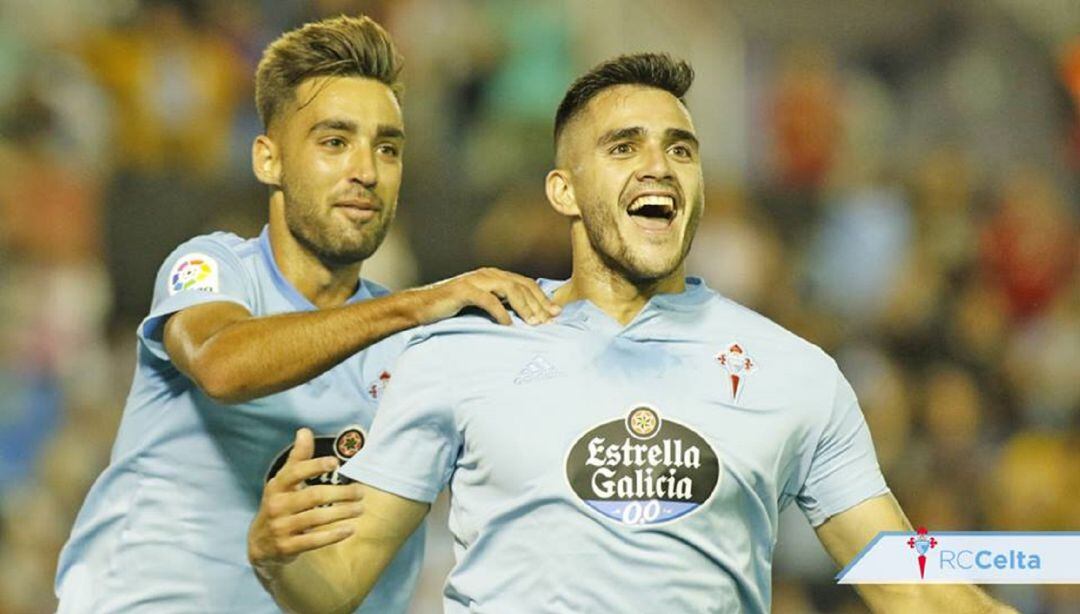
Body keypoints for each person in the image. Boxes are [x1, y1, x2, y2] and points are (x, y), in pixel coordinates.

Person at [248, 53, 1013, 613]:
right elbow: (337, 584)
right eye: (624, 148)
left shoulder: (796, 373)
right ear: (564, 190)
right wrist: (278, 557)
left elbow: (909, 587)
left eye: (680, 150)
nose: (660, 167)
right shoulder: (460, 351)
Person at [54, 15, 558, 613]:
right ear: (268, 159)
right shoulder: (212, 269)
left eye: (387, 148)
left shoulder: (422, 349)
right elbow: (223, 364)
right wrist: (413, 305)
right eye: (334, 142)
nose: (366, 172)